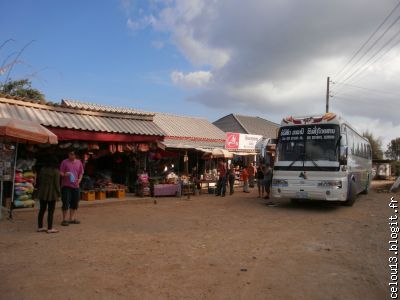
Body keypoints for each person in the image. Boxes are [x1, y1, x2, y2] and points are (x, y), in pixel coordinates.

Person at [37, 156, 61, 233]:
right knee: (51, 211)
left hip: (42, 191)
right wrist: (59, 194)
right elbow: (57, 184)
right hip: (51, 193)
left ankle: (40, 227)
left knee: (42, 210)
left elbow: (39, 180)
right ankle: (50, 228)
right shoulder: (56, 171)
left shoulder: (42, 170)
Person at [60, 151, 84, 226]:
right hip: (66, 186)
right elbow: (60, 172)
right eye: (70, 154)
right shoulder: (64, 162)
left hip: (76, 186)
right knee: (66, 202)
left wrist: (80, 179)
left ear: (75, 155)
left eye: (73, 154)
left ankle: (71, 218)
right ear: (68, 154)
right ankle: (64, 219)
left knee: (75, 202)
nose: (71, 156)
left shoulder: (79, 162)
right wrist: (64, 174)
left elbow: (81, 172)